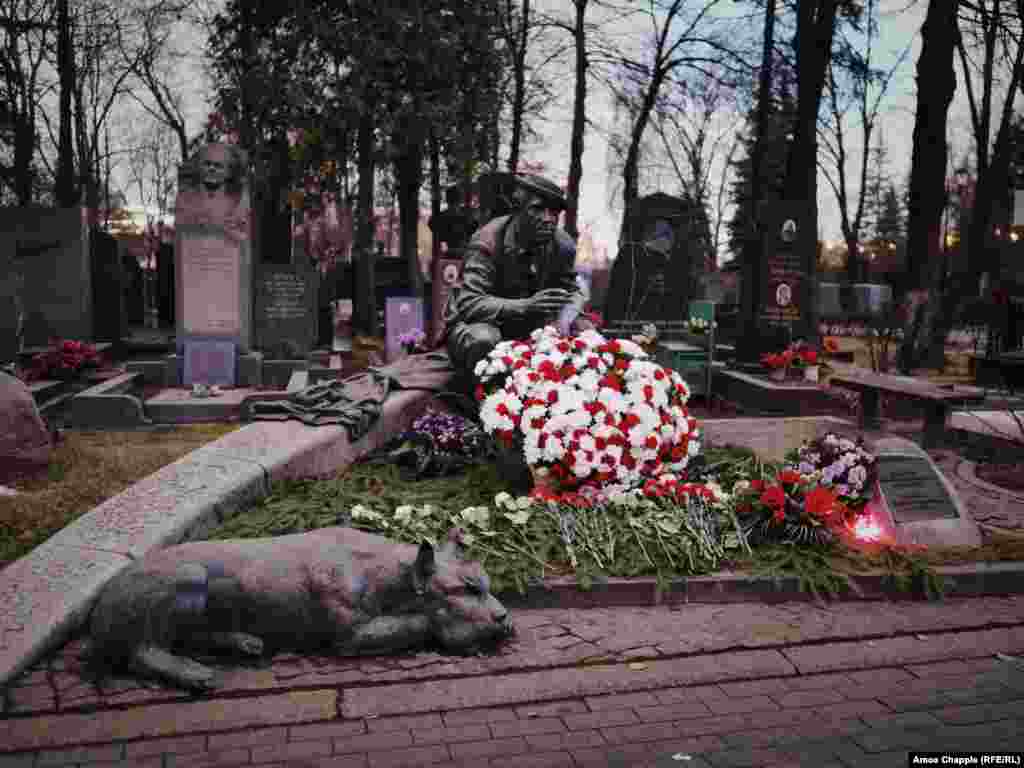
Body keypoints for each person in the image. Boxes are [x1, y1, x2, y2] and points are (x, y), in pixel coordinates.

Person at [443, 174, 592, 382]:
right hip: (478, 323)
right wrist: (526, 305)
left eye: (554, 212)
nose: (548, 219)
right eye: (537, 209)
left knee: (586, 333)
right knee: (483, 339)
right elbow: (469, 303)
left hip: (530, 326)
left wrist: (565, 319)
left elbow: (571, 291)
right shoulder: (487, 242)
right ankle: (478, 397)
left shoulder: (562, 245)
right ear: (517, 210)